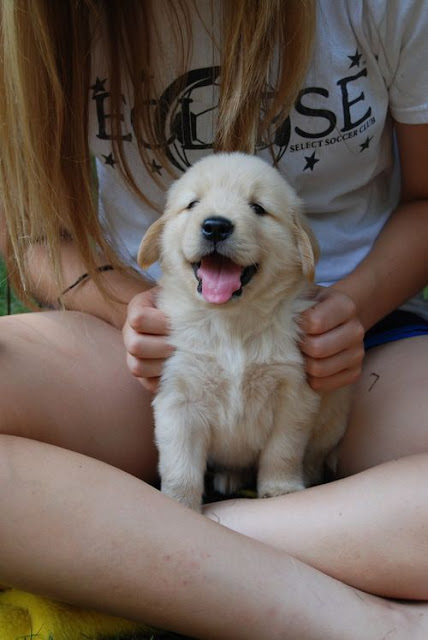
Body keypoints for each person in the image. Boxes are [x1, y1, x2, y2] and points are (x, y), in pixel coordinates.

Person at [0, 1, 427, 638]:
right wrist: (129, 307)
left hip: (359, 348)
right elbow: (29, 234)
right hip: (139, 346)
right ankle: (371, 622)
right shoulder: (44, 16)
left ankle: (167, 532)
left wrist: (354, 307)